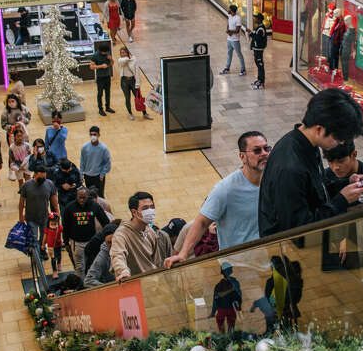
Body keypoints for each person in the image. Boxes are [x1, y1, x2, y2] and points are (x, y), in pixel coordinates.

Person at [259, 89, 363, 236]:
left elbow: (316, 190)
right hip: (295, 254)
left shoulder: (308, 145)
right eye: (338, 138)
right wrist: (342, 200)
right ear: (319, 129)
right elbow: (298, 230)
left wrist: (347, 184)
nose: (340, 142)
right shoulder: (290, 168)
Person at [166, 131, 270, 268]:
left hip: (270, 262)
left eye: (266, 148)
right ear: (242, 156)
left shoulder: (273, 180)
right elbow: (202, 222)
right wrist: (183, 254)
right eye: (257, 150)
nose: (264, 153)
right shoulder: (226, 188)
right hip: (239, 268)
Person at [111, 192, 168, 280]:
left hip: (154, 282)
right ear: (134, 212)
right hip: (136, 284)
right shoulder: (121, 234)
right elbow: (117, 255)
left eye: (152, 207)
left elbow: (157, 261)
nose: (150, 211)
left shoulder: (150, 231)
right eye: (145, 208)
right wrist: (123, 271)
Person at [19, 164, 60, 264]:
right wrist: (21, 215)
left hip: (44, 217)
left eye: (44, 177)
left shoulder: (49, 184)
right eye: (41, 177)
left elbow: (54, 200)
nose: (43, 179)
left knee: (43, 237)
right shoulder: (26, 185)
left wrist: (57, 213)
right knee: (34, 237)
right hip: (31, 217)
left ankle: (42, 251)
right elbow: (21, 202)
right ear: (35, 174)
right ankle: (36, 255)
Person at [62, 186, 110, 268]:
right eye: (79, 198)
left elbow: (105, 222)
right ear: (76, 196)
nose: (81, 200)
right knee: (79, 267)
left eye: (84, 198)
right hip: (76, 243)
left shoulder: (94, 206)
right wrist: (66, 242)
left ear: (87, 196)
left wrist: (104, 237)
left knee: (93, 264)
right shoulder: (69, 208)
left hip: (91, 241)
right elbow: (65, 226)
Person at [83, 222, 121, 287]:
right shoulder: (102, 256)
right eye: (109, 242)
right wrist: (110, 287)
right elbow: (88, 281)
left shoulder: (127, 246)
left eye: (115, 241)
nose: (112, 245)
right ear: (105, 242)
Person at [115, 46, 145, 120]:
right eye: (121, 53)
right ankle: (130, 113)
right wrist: (128, 58)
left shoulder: (134, 60)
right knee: (127, 98)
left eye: (123, 52)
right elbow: (123, 61)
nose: (122, 54)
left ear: (127, 52)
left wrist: (138, 83)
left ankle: (145, 113)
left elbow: (137, 72)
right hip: (124, 81)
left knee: (139, 97)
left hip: (133, 80)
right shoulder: (120, 60)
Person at [80, 125, 111, 197]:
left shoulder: (103, 148)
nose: (93, 136)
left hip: (98, 176)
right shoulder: (85, 147)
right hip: (88, 176)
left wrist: (102, 174)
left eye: (95, 134)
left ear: (99, 135)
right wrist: (81, 174)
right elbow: (82, 161)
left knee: (100, 195)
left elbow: (107, 162)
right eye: (91, 134)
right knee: (89, 195)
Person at [212, 261, 243, 332]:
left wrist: (239, 306)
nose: (231, 269)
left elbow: (238, 294)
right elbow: (216, 297)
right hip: (224, 309)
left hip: (230, 308)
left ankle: (228, 338)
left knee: (230, 328)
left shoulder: (233, 282)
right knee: (224, 328)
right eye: (230, 268)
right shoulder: (220, 284)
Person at [220, 3, 247, 75]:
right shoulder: (229, 16)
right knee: (229, 54)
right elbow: (228, 24)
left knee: (239, 54)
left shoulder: (238, 18)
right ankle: (227, 68)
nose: (228, 10)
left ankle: (243, 70)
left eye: (229, 9)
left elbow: (238, 30)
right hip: (229, 39)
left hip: (235, 40)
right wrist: (227, 30)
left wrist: (230, 32)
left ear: (232, 11)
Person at [90, 41, 113, 116]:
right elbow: (91, 66)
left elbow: (112, 64)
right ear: (101, 51)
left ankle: (108, 107)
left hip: (107, 76)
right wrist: (101, 66)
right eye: (105, 52)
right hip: (100, 77)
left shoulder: (107, 53)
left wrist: (111, 59)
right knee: (100, 94)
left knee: (108, 92)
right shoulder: (95, 55)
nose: (106, 53)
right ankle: (100, 109)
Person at [249, 12, 268, 89]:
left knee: (260, 65)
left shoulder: (261, 29)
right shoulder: (259, 27)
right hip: (257, 49)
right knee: (258, 64)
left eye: (256, 18)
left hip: (258, 50)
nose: (255, 19)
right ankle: (259, 80)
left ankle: (261, 82)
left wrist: (250, 33)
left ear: (260, 19)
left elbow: (257, 38)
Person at [43, 212, 65, 277]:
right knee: (53, 258)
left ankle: (59, 263)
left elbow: (64, 232)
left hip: (58, 245)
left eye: (55, 224)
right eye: (52, 224)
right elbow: (44, 237)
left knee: (59, 255)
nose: (54, 226)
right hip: (50, 247)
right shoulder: (47, 230)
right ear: (48, 223)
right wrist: (43, 244)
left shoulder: (60, 228)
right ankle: (54, 271)